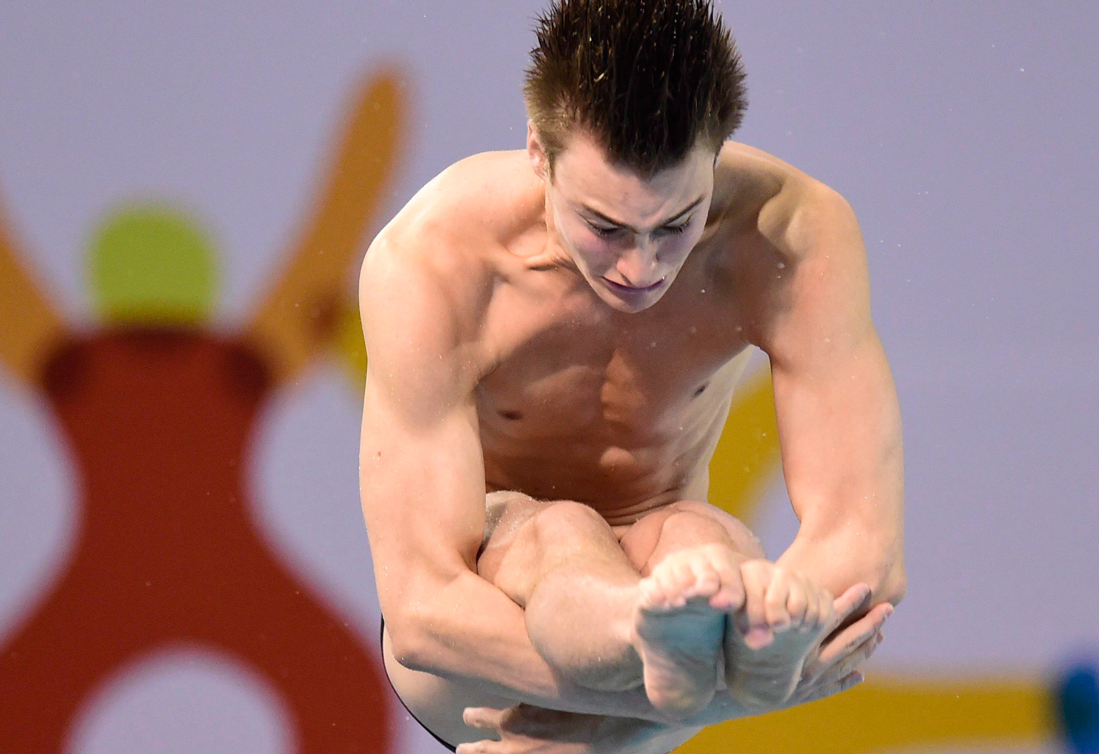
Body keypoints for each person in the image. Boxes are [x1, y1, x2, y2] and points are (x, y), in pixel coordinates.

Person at [357, 0, 905, 750]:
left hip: (666, 635)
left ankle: (670, 628)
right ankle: (644, 632)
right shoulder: (434, 260)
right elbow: (422, 612)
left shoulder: (791, 233)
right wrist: (708, 700)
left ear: (715, 158)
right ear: (537, 155)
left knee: (703, 544)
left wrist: (614, 726)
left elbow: (863, 547)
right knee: (558, 531)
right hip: (482, 654)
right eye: (605, 226)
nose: (641, 267)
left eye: (677, 224)